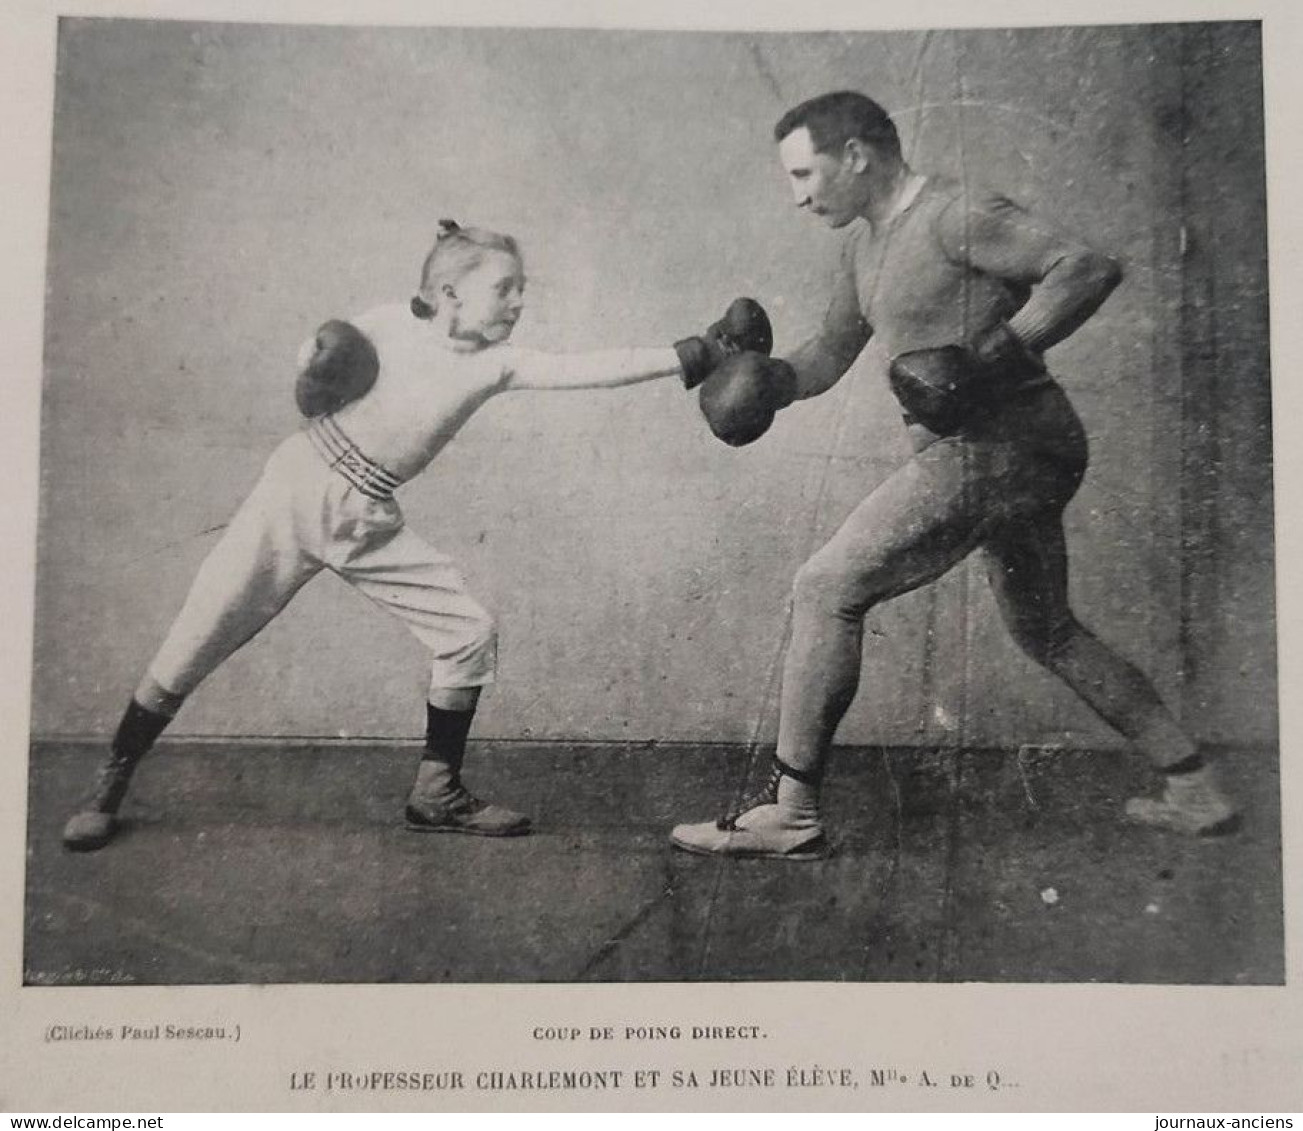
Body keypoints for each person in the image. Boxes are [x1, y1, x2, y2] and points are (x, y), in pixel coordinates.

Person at [62, 219, 772, 851]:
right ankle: (110, 783)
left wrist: (698, 350)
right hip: (293, 493)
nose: (519, 301)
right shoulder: (385, 325)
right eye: (505, 288)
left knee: (467, 630)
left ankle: (436, 794)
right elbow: (313, 365)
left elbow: (584, 369)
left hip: (367, 514)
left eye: (522, 288)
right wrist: (309, 359)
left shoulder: (498, 362)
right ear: (447, 293)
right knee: (196, 637)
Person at [670, 91, 1238, 861]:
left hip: (995, 445)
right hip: (1014, 453)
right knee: (1047, 628)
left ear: (857, 155)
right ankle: (1193, 785)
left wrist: (996, 353)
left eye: (806, 173)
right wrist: (765, 378)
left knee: (825, 586)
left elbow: (1086, 267)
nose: (797, 195)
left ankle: (791, 812)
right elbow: (832, 352)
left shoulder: (953, 214)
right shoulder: (864, 247)